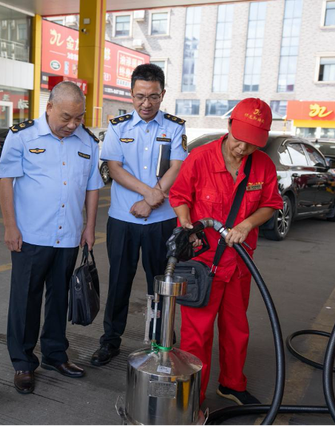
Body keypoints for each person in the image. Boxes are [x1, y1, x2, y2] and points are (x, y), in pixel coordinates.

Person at [169, 98, 283, 405]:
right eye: (238, 140)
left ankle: (232, 383)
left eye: (251, 144)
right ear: (229, 126)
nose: (242, 149)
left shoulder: (263, 165)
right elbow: (179, 195)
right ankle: (193, 398)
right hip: (202, 266)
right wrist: (186, 223)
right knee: (197, 336)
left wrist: (247, 225)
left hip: (239, 265)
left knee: (236, 330)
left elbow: (271, 204)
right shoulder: (200, 158)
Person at [0, 81, 103, 394]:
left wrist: (89, 227)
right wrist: (9, 226)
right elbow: (5, 180)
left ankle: (56, 353)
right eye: (66, 117)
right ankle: (23, 362)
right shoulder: (22, 135)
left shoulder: (87, 141)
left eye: (79, 118)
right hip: (30, 234)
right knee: (25, 300)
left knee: (59, 297)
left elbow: (92, 186)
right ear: (50, 107)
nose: (72, 124)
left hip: (68, 234)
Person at [91, 64, 187, 366]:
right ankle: (110, 341)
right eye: (140, 97)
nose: (146, 104)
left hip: (161, 222)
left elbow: (177, 166)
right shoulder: (118, 127)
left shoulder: (174, 127)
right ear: (131, 94)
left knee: (160, 284)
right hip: (123, 220)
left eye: (153, 97)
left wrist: (152, 200)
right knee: (119, 281)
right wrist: (152, 194)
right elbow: (115, 169)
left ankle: (161, 342)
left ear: (163, 95)